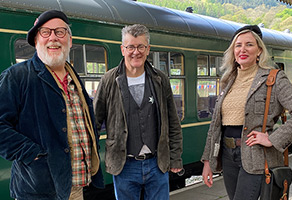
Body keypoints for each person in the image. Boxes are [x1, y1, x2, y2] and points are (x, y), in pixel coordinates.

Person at [0, 10, 104, 200]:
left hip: (75, 187)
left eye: (60, 32)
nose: (53, 38)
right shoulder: (17, 76)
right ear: (36, 40)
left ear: (70, 41)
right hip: (38, 191)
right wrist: (32, 153)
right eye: (45, 32)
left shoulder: (74, 78)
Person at [201, 25, 292, 200]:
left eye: (249, 44)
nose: (243, 49)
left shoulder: (274, 78)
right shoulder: (228, 81)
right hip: (228, 156)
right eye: (238, 45)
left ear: (259, 50)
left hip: (257, 156)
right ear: (233, 51)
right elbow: (215, 125)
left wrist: (271, 138)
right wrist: (208, 160)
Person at [93, 24, 183, 200]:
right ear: (122, 49)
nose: (136, 52)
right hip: (124, 164)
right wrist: (91, 159)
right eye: (131, 47)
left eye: (141, 46)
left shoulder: (160, 79)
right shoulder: (109, 80)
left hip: (157, 163)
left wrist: (176, 157)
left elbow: (173, 121)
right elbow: (94, 121)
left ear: (148, 49)